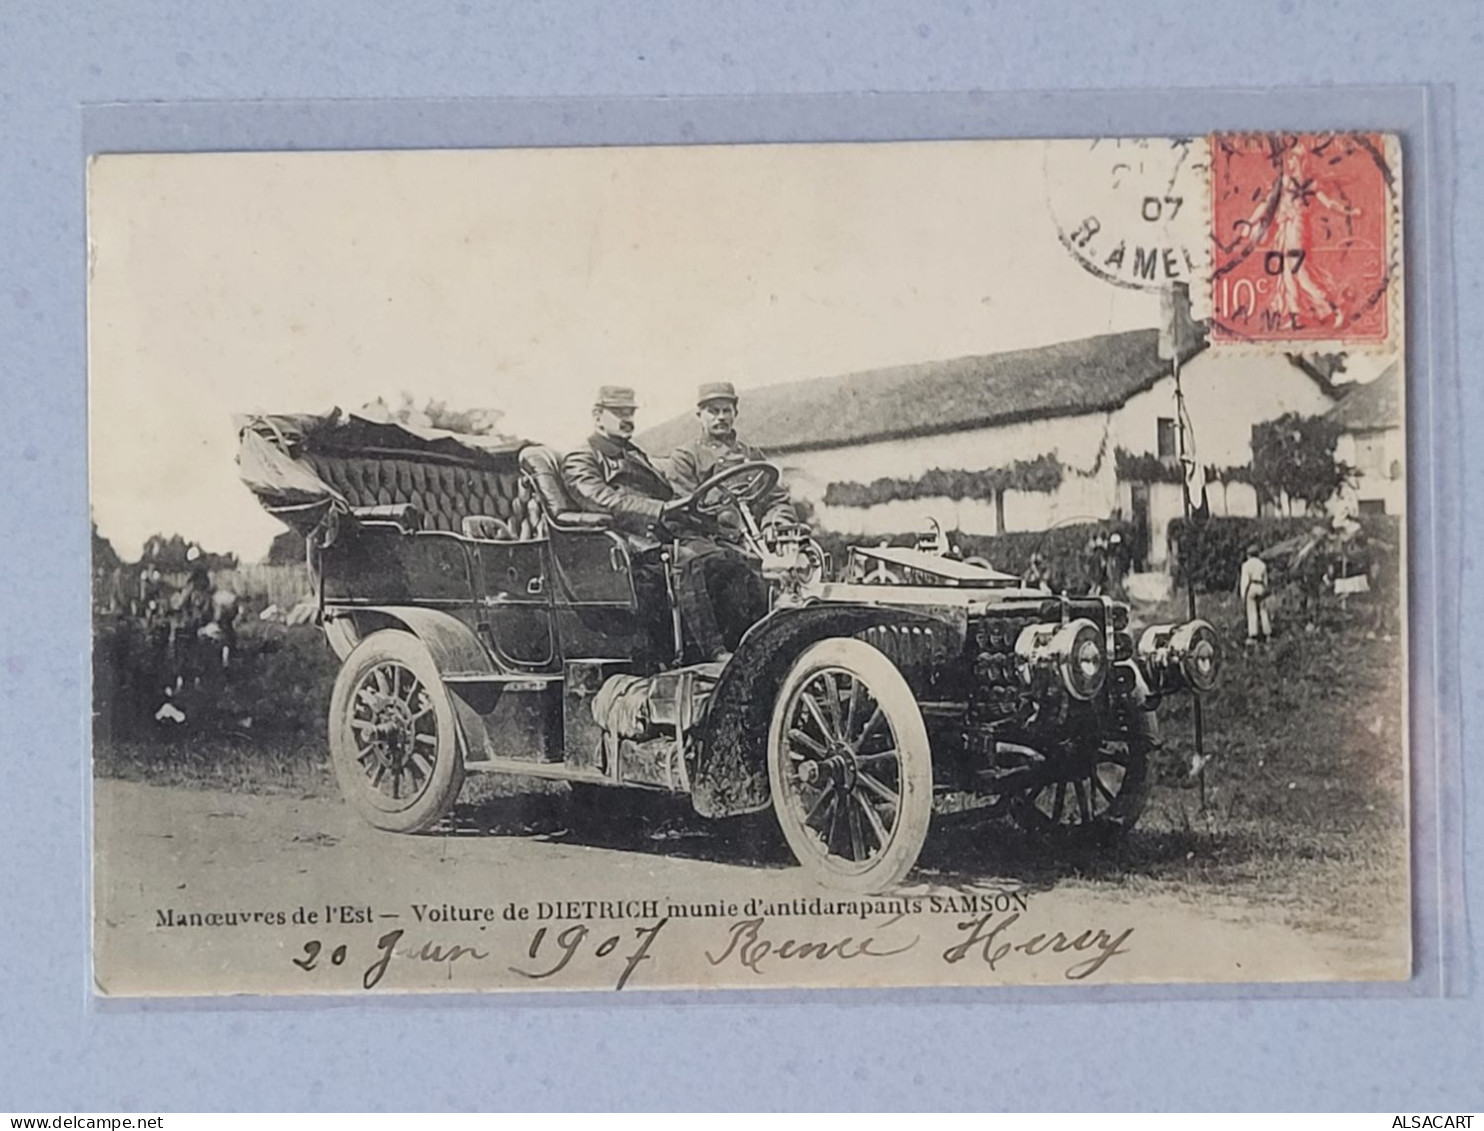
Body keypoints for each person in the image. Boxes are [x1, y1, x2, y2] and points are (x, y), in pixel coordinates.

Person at [562, 385, 757, 665]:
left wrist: (713, 522)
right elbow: (601, 499)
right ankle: (710, 653)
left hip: (656, 537)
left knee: (732, 560)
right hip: (622, 546)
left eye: (630, 412)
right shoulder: (582, 457)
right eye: (618, 412)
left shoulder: (632, 453)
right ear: (597, 416)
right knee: (688, 561)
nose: (627, 418)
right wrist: (659, 510)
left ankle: (747, 648)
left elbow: (668, 495)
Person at [666, 381, 798, 533]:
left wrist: (774, 525)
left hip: (760, 540)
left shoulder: (752, 456)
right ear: (699, 416)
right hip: (712, 541)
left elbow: (778, 501)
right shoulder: (686, 457)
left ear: (735, 414)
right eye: (713, 411)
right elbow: (685, 510)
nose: (721, 417)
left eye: (726, 411)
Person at [1239, 543, 1273, 647]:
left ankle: (1253, 635)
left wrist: (1243, 594)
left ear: (1249, 555)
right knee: (1263, 611)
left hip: (1251, 586)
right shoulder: (1262, 565)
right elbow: (1265, 580)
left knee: (1252, 611)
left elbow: (1244, 581)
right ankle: (1267, 634)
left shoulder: (1246, 565)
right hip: (1260, 586)